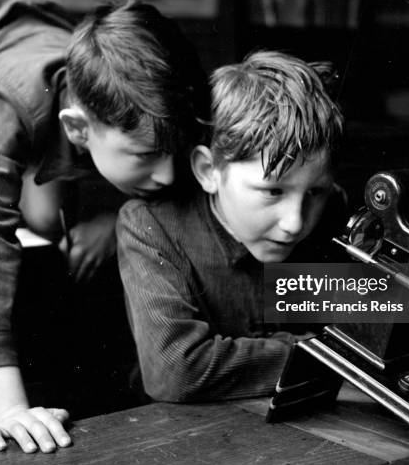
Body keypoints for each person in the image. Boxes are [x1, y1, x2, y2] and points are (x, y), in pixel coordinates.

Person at [0, 0, 208, 451]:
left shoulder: (115, 100)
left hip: (27, 22)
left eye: (174, 152)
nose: (166, 176)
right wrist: (7, 407)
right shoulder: (2, 103)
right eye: (143, 156)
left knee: (42, 220)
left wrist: (112, 224)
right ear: (76, 128)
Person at [117, 50, 346, 402]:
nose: (295, 223)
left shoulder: (334, 209)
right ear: (209, 171)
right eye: (272, 191)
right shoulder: (151, 226)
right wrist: (331, 357)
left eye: (315, 191)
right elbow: (175, 370)